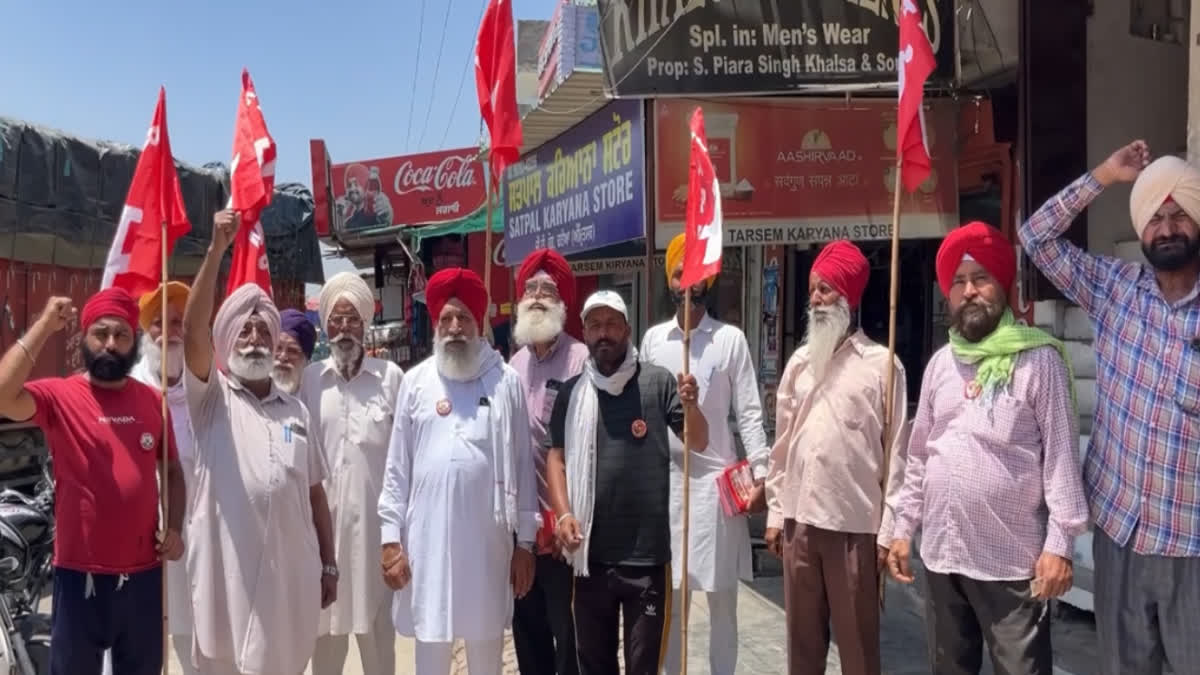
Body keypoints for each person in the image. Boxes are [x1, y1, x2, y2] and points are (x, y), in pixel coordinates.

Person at [1018, 143, 1200, 673]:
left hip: (1191, 543)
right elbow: (1036, 237)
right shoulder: (1115, 289)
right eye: (1155, 218)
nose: (1167, 228)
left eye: (1179, 214)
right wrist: (1103, 176)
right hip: (1120, 537)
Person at [888, 222, 1089, 674]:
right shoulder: (941, 363)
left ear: (1003, 285)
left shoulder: (1040, 360)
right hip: (942, 555)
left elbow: (1061, 459)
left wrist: (1059, 545)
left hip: (1013, 565)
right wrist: (903, 529)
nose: (969, 291)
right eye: (958, 282)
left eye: (980, 278)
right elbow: (920, 455)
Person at [181, 209, 337, 675]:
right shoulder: (211, 399)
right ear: (227, 340)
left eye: (263, 330)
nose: (254, 338)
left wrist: (329, 565)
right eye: (243, 330)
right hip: (228, 585)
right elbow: (191, 334)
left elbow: (315, 493)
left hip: (289, 583)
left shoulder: (297, 412)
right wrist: (215, 252)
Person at [0, 289, 184, 675]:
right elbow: (3, 396)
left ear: (134, 343)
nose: (111, 344)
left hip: (143, 574)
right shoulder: (61, 395)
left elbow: (170, 470)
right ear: (83, 339)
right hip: (78, 575)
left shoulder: (154, 401)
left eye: (122, 335)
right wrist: (44, 326)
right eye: (101, 334)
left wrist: (175, 526)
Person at [378, 267, 537, 675]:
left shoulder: (506, 383)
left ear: (479, 323)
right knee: (430, 651)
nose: (454, 327)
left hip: (488, 546)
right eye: (446, 318)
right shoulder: (416, 383)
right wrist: (390, 539)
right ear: (435, 324)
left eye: (463, 318)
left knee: (485, 654)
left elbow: (522, 463)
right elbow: (397, 468)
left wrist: (526, 544)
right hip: (428, 544)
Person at [545, 290, 708, 675]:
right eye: (595, 325)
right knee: (595, 666)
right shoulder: (571, 393)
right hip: (590, 559)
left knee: (643, 667)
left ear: (628, 330)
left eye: (612, 324)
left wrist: (692, 405)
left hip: (647, 559)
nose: (604, 333)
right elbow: (556, 457)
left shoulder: (658, 383)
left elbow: (699, 441)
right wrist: (563, 512)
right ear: (583, 332)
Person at [764, 240, 907, 675]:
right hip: (800, 522)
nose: (816, 298)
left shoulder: (883, 365)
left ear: (849, 296)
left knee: (858, 654)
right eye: (813, 289)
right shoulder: (800, 362)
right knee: (803, 651)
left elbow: (898, 452)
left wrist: (889, 531)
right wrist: (774, 512)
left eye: (825, 289)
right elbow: (783, 443)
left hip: (855, 529)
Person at [641, 234, 769, 675]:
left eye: (695, 274)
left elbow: (749, 412)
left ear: (708, 281)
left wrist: (762, 475)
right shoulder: (654, 341)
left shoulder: (730, 340)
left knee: (721, 604)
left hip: (717, 485)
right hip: (669, 485)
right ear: (670, 281)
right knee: (672, 600)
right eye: (680, 273)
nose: (688, 282)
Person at [304, 272, 403, 675]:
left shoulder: (391, 378)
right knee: (325, 650)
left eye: (352, 319)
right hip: (323, 543)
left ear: (365, 324)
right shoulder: (309, 382)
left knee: (380, 651)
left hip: (377, 541)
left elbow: (403, 462)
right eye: (336, 319)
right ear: (326, 326)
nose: (344, 327)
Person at [508, 249, 588, 675]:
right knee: (528, 632)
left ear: (562, 303)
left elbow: (588, 449)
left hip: (564, 529)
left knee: (569, 640)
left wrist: (568, 515)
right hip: (522, 530)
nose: (537, 296)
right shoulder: (513, 365)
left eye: (547, 290)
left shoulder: (581, 360)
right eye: (531, 289)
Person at [272, 309, 316, 394]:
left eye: (292, 351)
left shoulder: (313, 400)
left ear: (306, 360)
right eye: (278, 348)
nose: (283, 357)